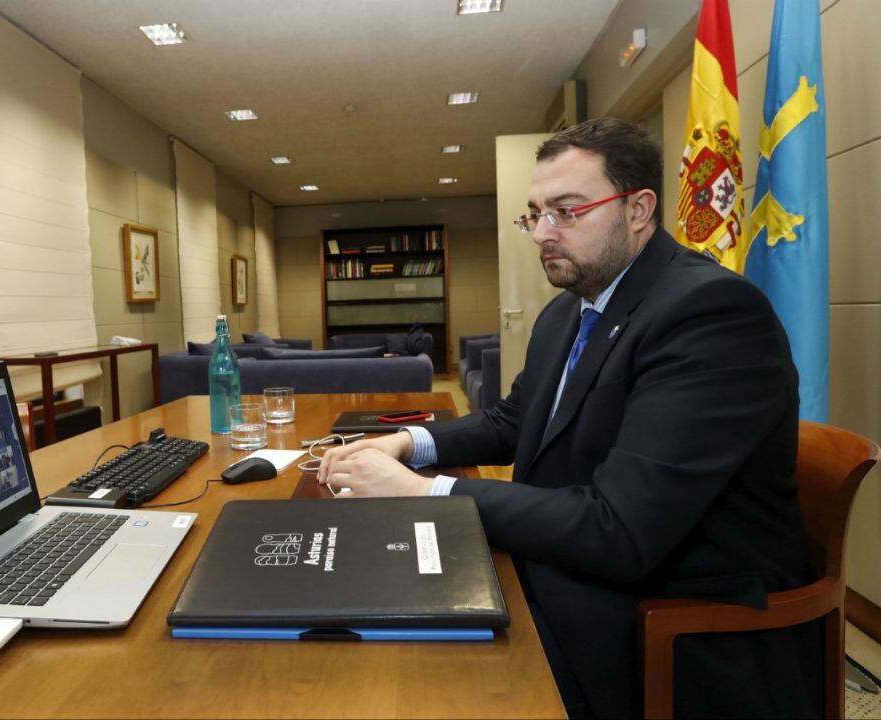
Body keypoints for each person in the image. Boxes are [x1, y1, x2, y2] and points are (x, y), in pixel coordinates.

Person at [318, 118, 819, 718]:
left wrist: (424, 493)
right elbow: (511, 422)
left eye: (567, 211)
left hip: (669, 616)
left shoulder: (710, 313)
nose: (542, 234)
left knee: (417, 681)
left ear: (638, 209)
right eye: (535, 214)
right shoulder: (568, 312)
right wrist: (408, 441)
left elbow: (621, 529)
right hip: (569, 563)